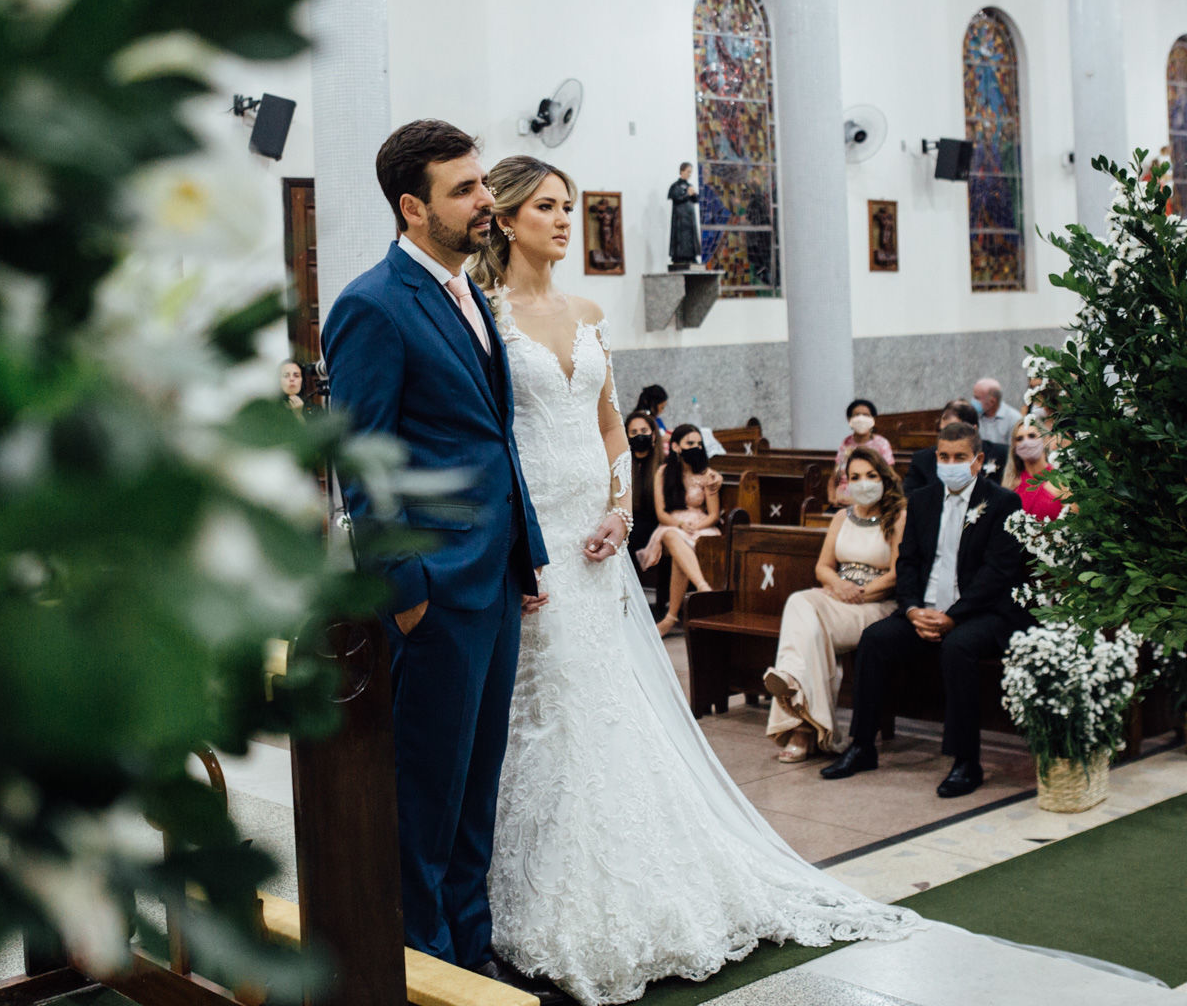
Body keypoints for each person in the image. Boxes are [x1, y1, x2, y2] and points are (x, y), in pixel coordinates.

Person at [471, 154, 914, 1006]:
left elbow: (609, 431)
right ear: (506, 219)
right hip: (533, 540)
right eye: (547, 208)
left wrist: (617, 512)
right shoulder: (486, 318)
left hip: (594, 538)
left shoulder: (588, 310)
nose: (566, 221)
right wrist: (523, 537)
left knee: (613, 708)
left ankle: (638, 879)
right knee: (546, 711)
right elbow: (494, 438)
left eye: (569, 206)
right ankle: (534, 894)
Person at [322, 120, 551, 979]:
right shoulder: (373, 305)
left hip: (490, 577)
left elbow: (492, 440)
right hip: (434, 589)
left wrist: (524, 555)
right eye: (465, 190)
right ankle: (425, 969)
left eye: (483, 183)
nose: (486, 201)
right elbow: (363, 459)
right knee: (426, 797)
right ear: (413, 208)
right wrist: (406, 590)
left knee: (475, 792)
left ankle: (471, 953)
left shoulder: (466, 294)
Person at [820, 421, 1029, 799]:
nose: (951, 463)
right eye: (944, 457)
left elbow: (997, 573)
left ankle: (966, 761)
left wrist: (953, 616)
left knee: (958, 647)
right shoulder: (922, 500)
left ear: (977, 460)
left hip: (983, 614)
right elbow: (909, 563)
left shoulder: (1002, 504)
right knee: (875, 639)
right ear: (936, 459)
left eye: (960, 457)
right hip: (926, 609)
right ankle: (862, 746)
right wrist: (914, 608)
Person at [767, 446, 907, 760]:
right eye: (855, 477)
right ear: (846, 482)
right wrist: (839, 585)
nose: (863, 482)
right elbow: (822, 567)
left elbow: (898, 573)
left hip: (876, 606)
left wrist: (861, 591)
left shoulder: (897, 516)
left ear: (883, 477)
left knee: (811, 627)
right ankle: (807, 722)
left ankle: (799, 714)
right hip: (838, 597)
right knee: (801, 604)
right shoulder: (842, 517)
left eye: (870, 475)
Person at [638, 424, 721, 638]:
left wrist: (696, 526)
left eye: (698, 444)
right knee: (672, 536)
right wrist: (681, 525)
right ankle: (704, 589)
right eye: (689, 443)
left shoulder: (707, 475)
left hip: (702, 527)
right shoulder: (664, 473)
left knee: (679, 554)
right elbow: (661, 512)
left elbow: (713, 514)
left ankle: (670, 618)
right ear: (676, 446)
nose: (695, 447)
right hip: (672, 525)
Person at [903, 399, 1007, 494]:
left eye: (954, 431)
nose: (946, 438)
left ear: (974, 430)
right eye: (942, 432)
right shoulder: (923, 459)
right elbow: (910, 497)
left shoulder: (1000, 454)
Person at [827, 398, 895, 508]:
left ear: (873, 419)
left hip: (869, 502)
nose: (861, 418)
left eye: (866, 415)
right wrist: (832, 498)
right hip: (840, 504)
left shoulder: (881, 443)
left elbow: (889, 477)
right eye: (857, 415)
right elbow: (834, 477)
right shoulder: (846, 443)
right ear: (849, 419)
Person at [622, 409, 661, 576]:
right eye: (634, 432)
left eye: (644, 431)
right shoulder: (623, 466)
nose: (639, 436)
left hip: (656, 523)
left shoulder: (662, 465)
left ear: (653, 435)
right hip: (630, 524)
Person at [1002, 417, 1065, 521]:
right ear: (1014, 446)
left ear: (1045, 440)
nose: (1026, 442)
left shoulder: (1062, 481)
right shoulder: (1010, 484)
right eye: (1019, 439)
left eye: (1032, 436)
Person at [667, 162, 701, 269]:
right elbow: (677, 198)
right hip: (680, 220)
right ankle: (680, 257)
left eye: (691, 172)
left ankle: (691, 256)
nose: (689, 174)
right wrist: (687, 194)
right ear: (682, 171)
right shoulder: (675, 186)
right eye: (688, 172)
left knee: (691, 238)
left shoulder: (689, 186)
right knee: (681, 239)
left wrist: (694, 194)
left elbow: (696, 200)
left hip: (690, 220)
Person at [973, 378, 1022, 449]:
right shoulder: (974, 416)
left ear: (992, 401)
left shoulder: (1014, 419)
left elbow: (1014, 451)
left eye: (977, 398)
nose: (974, 401)